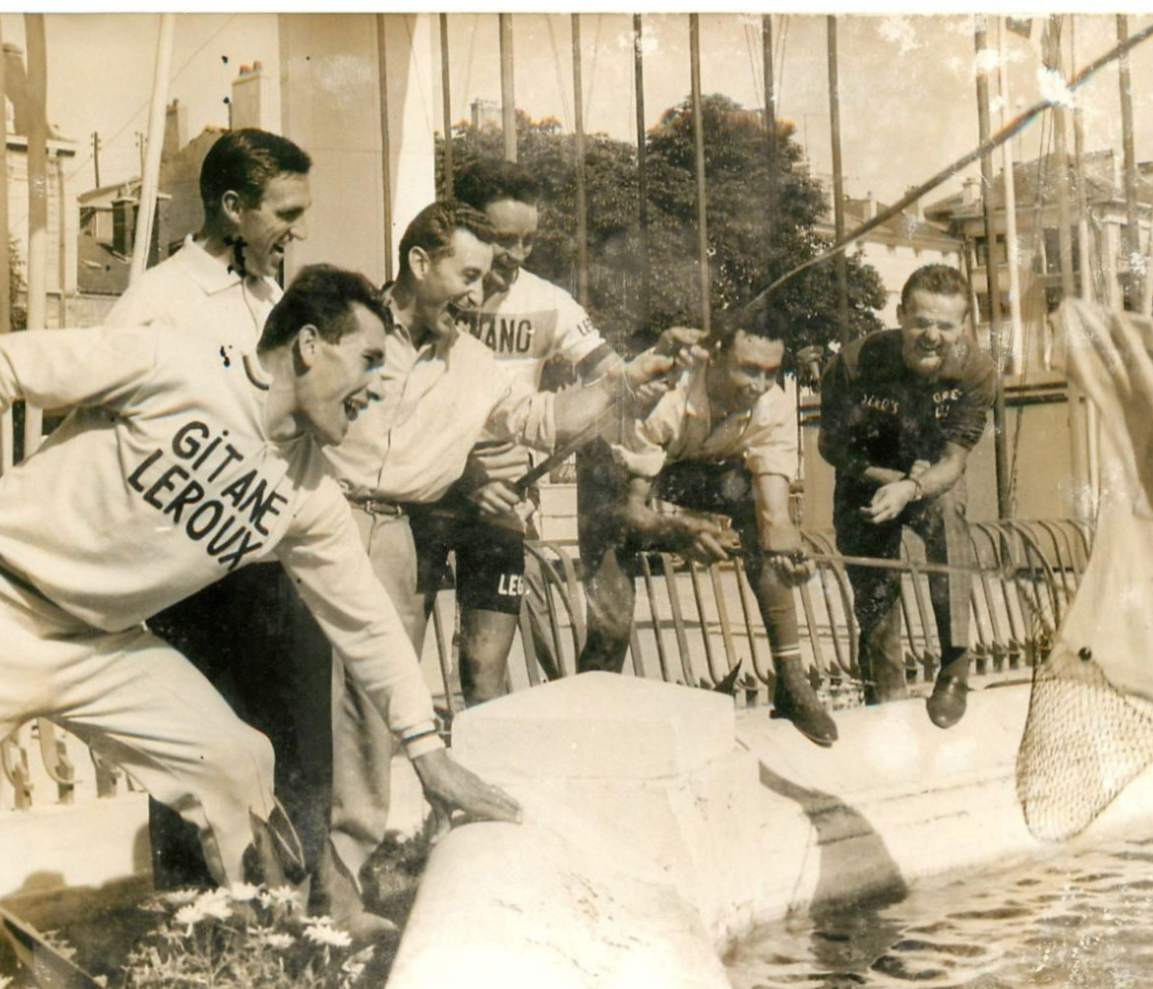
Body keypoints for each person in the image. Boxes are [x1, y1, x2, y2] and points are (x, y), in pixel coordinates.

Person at [0, 265, 521, 889]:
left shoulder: (308, 492)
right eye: (367, 360)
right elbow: (0, 362)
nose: (377, 384)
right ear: (310, 345)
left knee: (238, 765)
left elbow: (366, 623)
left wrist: (428, 753)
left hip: (99, 647)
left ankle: (248, 955)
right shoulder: (177, 364)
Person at [309, 201, 689, 919]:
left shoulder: (473, 360)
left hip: (393, 531)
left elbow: (537, 421)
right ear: (419, 263)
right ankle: (266, 879)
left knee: (369, 704)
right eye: (470, 275)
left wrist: (617, 383)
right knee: (302, 700)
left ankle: (337, 891)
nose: (481, 296)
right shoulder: (349, 324)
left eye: (488, 281)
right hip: (318, 513)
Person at [104, 127, 332, 901]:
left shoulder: (269, 295)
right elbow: (109, 436)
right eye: (285, 211)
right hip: (193, 582)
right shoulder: (155, 303)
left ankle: (294, 923)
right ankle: (192, 938)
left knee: (296, 755)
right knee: (194, 767)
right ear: (233, 207)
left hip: (273, 569)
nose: (296, 229)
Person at [575, 305, 839, 748]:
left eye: (770, 372)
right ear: (714, 357)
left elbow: (774, 521)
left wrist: (788, 552)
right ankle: (588, 729)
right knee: (613, 623)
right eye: (748, 370)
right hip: (615, 478)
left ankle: (791, 678)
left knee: (761, 518)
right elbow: (633, 514)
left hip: (685, 462)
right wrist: (679, 530)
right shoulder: (666, 394)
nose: (758, 385)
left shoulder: (772, 405)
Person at [441, 158, 635, 704]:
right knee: (396, 661)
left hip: (502, 498)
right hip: (427, 491)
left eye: (528, 240)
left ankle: (487, 781)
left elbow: (612, 372)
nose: (517, 255)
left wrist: (652, 375)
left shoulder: (548, 300)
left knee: (484, 667)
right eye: (503, 239)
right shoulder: (428, 291)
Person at [817, 263, 996, 727]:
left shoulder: (976, 372)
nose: (931, 336)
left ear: (963, 327)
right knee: (876, 595)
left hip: (929, 477)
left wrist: (915, 485)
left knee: (948, 513)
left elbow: (954, 462)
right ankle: (885, 697)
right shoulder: (855, 364)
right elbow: (831, 446)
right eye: (921, 321)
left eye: (945, 325)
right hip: (867, 476)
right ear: (900, 315)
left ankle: (955, 668)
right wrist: (890, 480)